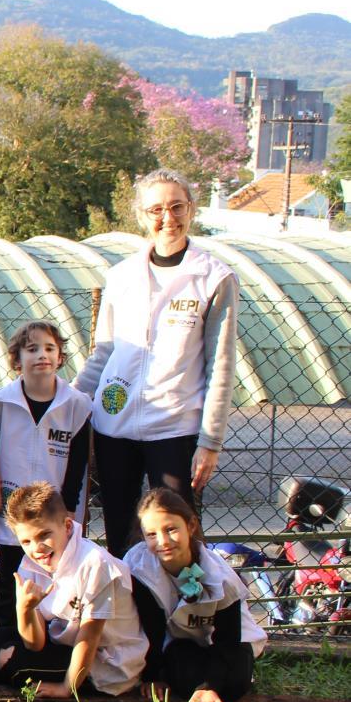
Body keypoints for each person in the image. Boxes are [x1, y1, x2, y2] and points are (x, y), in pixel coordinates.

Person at [74, 168, 240, 555]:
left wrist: (210, 440)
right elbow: (104, 352)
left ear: (191, 209)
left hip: (175, 428)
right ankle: (129, 609)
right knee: (120, 527)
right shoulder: (122, 276)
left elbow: (221, 363)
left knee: (176, 531)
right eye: (156, 209)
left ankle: (183, 611)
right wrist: (68, 402)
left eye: (177, 206)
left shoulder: (213, 277)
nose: (168, 217)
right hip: (115, 427)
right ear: (141, 216)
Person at [0, 482, 147, 697]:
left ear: (67, 526)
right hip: (67, 644)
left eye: (44, 535)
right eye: (26, 541)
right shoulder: (32, 563)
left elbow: (90, 636)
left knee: (10, 660)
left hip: (106, 661)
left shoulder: (94, 564)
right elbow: (35, 644)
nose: (36, 548)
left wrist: (67, 687)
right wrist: (25, 608)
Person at [125, 488, 265, 702]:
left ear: (190, 526)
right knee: (182, 678)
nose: (163, 541)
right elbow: (150, 625)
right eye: (151, 534)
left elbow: (228, 637)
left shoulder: (220, 577)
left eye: (171, 529)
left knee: (234, 687)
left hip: (227, 642)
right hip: (181, 642)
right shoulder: (138, 567)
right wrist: (152, 676)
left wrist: (209, 686)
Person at [0, 321, 91, 626]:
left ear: (60, 357)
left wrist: (68, 508)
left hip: (57, 512)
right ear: (17, 360)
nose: (41, 355)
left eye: (49, 348)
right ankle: (5, 639)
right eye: (32, 349)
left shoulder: (78, 404)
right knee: (11, 573)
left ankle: (51, 639)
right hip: (12, 510)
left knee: (58, 575)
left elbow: (78, 463)